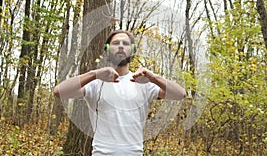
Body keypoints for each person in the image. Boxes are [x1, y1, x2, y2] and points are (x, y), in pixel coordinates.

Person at [53, 30, 186, 156]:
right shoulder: (96, 83)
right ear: (107, 49)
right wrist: (94, 74)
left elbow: (180, 94)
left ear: (132, 50)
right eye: (116, 43)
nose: (121, 46)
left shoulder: (143, 82)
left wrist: (153, 77)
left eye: (126, 43)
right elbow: (58, 92)